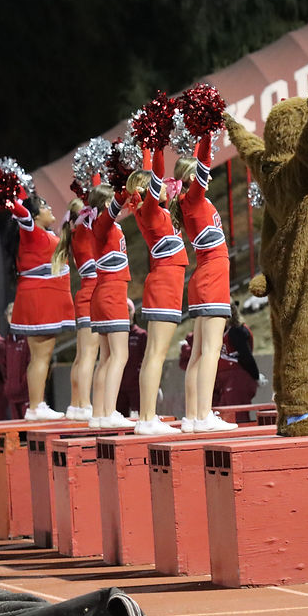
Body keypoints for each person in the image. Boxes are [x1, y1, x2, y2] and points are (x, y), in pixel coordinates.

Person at [174, 133, 236, 432]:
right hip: (211, 276)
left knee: (199, 352)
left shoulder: (190, 202)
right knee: (211, 350)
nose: (207, 176)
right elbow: (204, 163)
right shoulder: (193, 199)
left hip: (205, 277)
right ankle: (203, 415)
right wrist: (206, 133)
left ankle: (192, 416)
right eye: (199, 175)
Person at [124, 151, 189, 435]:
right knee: (155, 355)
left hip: (167, 284)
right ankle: (147, 418)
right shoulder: (148, 210)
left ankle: (147, 417)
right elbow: (155, 177)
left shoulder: (158, 211)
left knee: (155, 354)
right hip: (163, 284)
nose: (165, 185)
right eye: (157, 184)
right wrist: (152, 148)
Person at [5, 188, 74, 420]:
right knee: (41, 356)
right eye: (44, 206)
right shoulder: (31, 231)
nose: (50, 208)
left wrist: (21, 189)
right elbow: (20, 209)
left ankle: (36, 405)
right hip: (41, 300)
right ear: (33, 216)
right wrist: (5, 193)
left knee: (40, 356)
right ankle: (36, 406)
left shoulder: (38, 233)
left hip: (41, 298)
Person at [87, 184, 135, 428]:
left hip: (104, 293)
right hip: (111, 292)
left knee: (106, 357)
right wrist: (123, 189)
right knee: (119, 355)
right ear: (107, 205)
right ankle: (108, 413)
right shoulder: (102, 224)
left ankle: (99, 414)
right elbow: (116, 204)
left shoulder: (102, 226)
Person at [51, 197, 97, 421]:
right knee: (88, 355)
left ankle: (76, 404)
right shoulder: (85, 234)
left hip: (85, 294)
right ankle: (85, 404)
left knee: (81, 355)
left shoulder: (76, 235)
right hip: (92, 295)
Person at [214, 303, 261, 406]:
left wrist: (256, 375)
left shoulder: (236, 331)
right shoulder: (222, 332)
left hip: (237, 379)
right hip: (225, 380)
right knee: (223, 413)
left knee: (237, 414)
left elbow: (246, 356)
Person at [115, 299, 147, 419]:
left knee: (137, 417)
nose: (126, 313)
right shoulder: (116, 336)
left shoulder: (141, 334)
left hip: (136, 385)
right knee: (119, 418)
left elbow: (147, 360)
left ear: (133, 312)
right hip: (119, 385)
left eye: (128, 310)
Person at [2, 303, 29, 418]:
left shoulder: (29, 338)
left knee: (31, 431)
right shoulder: (8, 340)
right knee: (18, 433)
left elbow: (32, 363)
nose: (13, 317)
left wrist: (23, 384)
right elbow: (4, 366)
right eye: (10, 314)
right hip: (12, 395)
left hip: (27, 394)